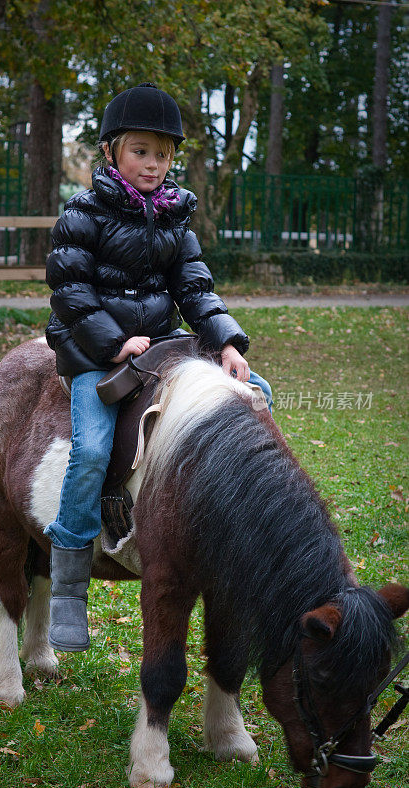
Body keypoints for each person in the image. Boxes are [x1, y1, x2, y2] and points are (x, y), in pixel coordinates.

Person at [44, 82, 272, 653]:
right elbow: (69, 290)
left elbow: (195, 288)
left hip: (160, 346)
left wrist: (227, 343)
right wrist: (114, 342)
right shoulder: (83, 211)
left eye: (163, 154)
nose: (153, 164)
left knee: (257, 393)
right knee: (94, 449)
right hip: (93, 350)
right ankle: (69, 586)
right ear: (112, 152)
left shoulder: (175, 217)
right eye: (141, 150)